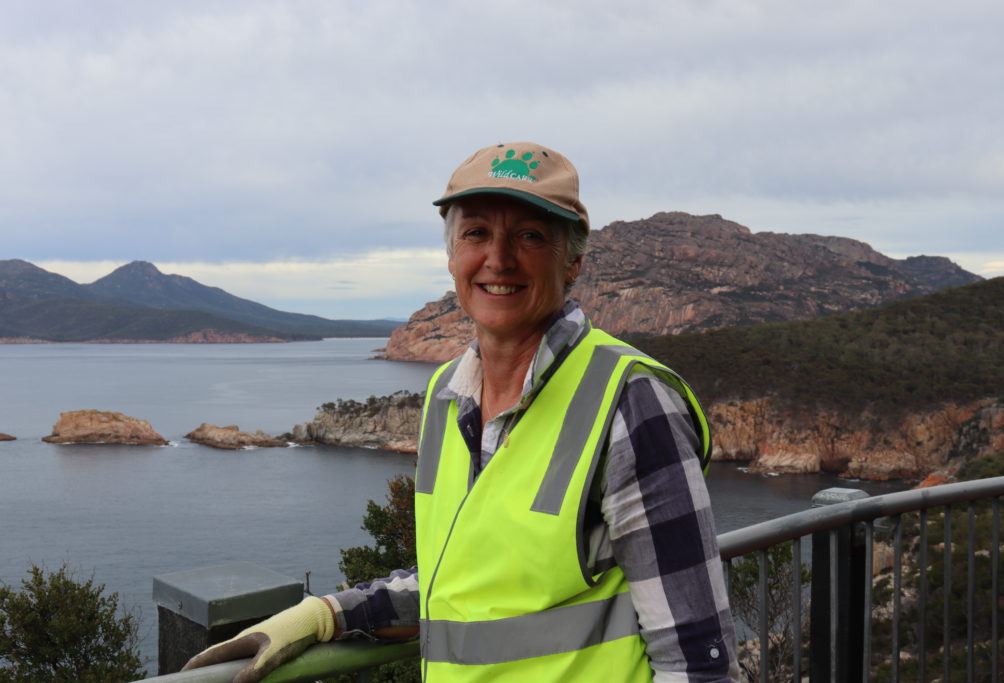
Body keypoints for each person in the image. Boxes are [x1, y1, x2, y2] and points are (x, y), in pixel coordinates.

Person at [183, 142, 739, 682]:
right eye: (477, 233)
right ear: (452, 256)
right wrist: (327, 614)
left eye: (529, 235)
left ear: (572, 263)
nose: (498, 258)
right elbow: (463, 585)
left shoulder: (631, 400)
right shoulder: (448, 393)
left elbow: (697, 662)